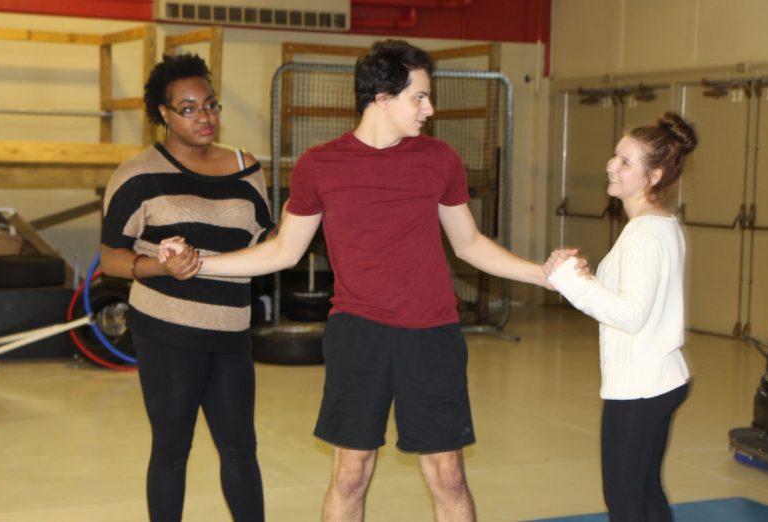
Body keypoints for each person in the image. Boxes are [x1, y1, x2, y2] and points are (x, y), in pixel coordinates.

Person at [160, 40, 584, 522]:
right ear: (382, 98)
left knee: (448, 474)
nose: (430, 108)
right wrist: (202, 263)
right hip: (358, 335)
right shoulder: (319, 166)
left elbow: (469, 244)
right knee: (351, 473)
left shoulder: (439, 160)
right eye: (419, 97)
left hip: (432, 335)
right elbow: (283, 250)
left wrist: (543, 276)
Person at [100, 53, 269, 521]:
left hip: (232, 329)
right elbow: (112, 258)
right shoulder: (137, 175)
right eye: (189, 108)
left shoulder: (246, 167)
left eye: (211, 105)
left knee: (241, 448)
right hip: (167, 330)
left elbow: (265, 242)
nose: (205, 117)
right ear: (163, 114)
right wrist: (161, 266)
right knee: (173, 448)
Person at [545, 112, 698, 522]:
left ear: (653, 176)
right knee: (645, 491)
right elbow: (638, 297)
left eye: (626, 162)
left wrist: (567, 280)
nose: (612, 165)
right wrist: (586, 279)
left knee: (625, 499)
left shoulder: (643, 234)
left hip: (640, 386)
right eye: (616, 155)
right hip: (660, 376)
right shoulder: (660, 224)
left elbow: (630, 314)